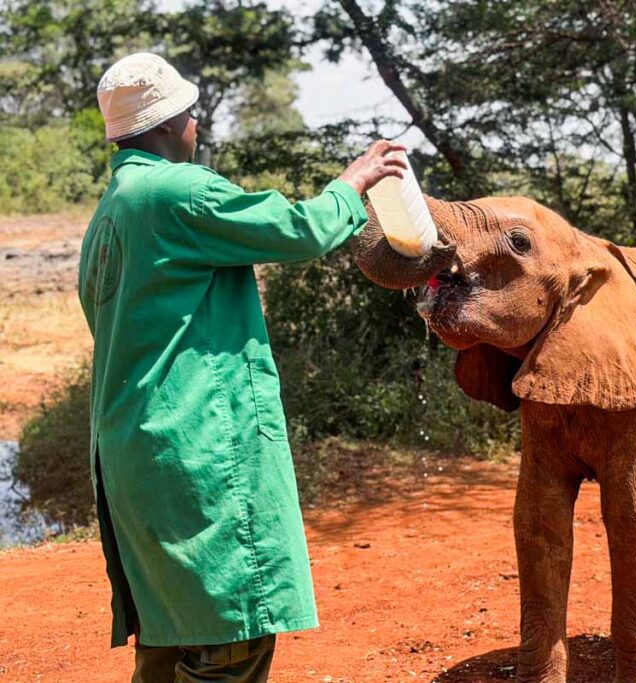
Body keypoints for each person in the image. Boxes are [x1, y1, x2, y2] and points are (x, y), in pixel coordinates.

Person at [79, 52, 422, 682]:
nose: (196, 124)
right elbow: (297, 230)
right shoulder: (179, 191)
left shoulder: (110, 211)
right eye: (190, 113)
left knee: (169, 633)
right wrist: (353, 182)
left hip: (134, 454)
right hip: (196, 450)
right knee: (230, 642)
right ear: (166, 123)